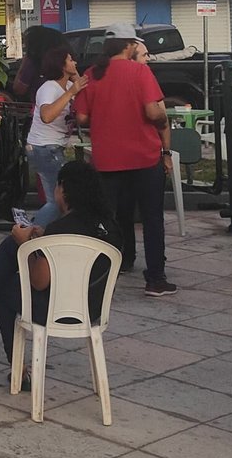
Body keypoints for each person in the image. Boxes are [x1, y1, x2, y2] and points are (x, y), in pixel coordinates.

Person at [0, 160, 119, 389]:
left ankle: (16, 365)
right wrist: (41, 239)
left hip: (57, 310)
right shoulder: (111, 226)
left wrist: (25, 246)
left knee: (4, 286)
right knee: (11, 248)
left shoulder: (62, 229)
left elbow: (39, 282)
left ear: (64, 190)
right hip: (93, 308)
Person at [75, 22, 176, 297]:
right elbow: (153, 112)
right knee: (152, 218)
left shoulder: (92, 74)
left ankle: (115, 264)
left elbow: (81, 117)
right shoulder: (140, 71)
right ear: (130, 46)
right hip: (144, 157)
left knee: (113, 216)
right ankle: (155, 278)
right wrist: (162, 118)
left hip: (107, 158)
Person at [27, 43, 84, 224]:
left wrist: (75, 78)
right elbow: (47, 115)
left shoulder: (69, 85)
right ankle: (33, 232)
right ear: (61, 65)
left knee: (61, 197)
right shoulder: (49, 88)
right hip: (44, 147)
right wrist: (70, 93)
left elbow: (86, 92)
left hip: (54, 146)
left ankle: (43, 230)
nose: (74, 62)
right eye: (70, 60)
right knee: (57, 199)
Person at [12, 26, 66, 102]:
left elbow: (19, 89)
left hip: (40, 105)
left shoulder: (33, 62)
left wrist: (25, 61)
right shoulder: (64, 61)